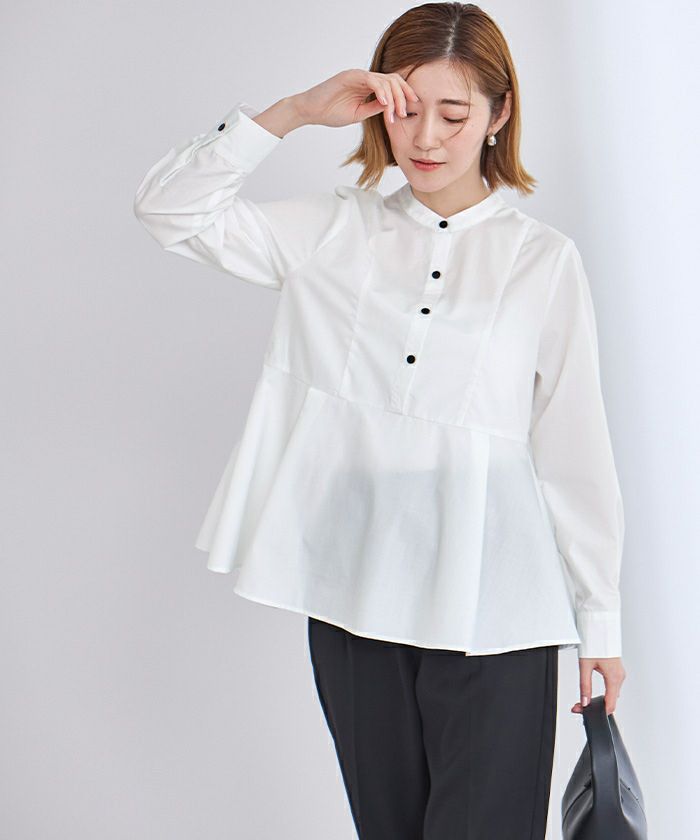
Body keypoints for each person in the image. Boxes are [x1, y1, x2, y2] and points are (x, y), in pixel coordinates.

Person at [133, 3, 627, 836]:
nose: (425, 138)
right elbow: (168, 211)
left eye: (453, 114)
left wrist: (600, 623)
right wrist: (293, 112)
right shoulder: (333, 229)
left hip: (496, 605)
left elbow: (573, 449)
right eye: (407, 109)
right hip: (353, 590)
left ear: (499, 114)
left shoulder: (541, 261)